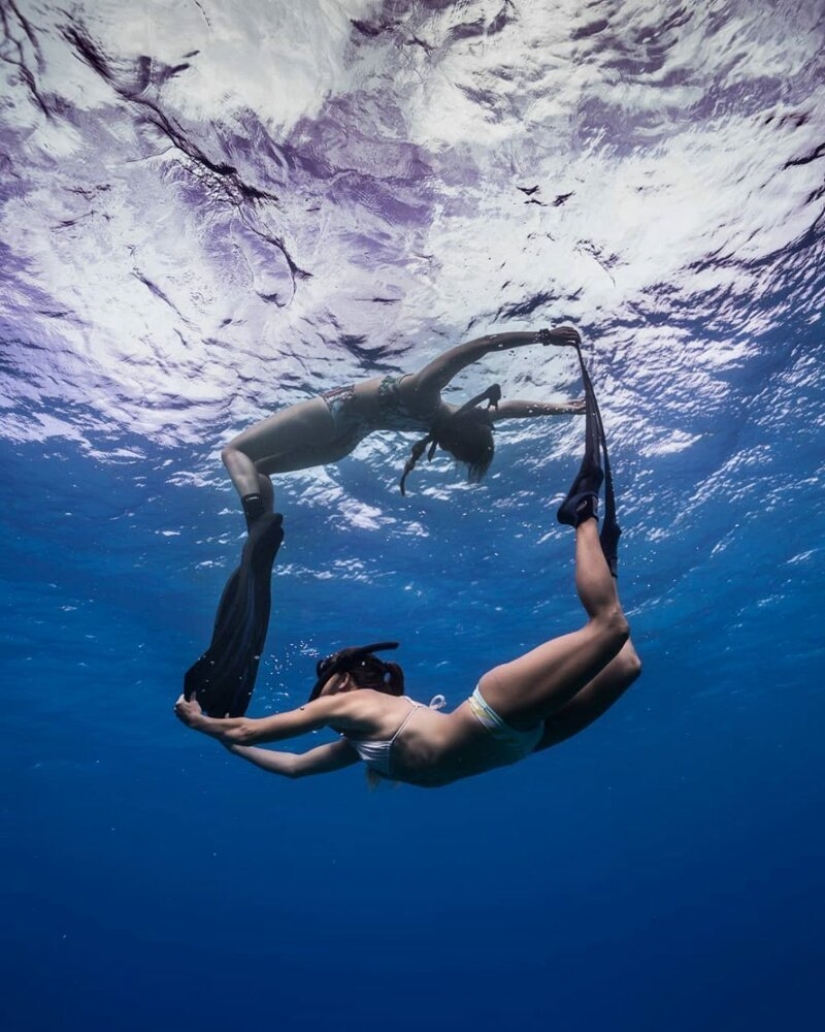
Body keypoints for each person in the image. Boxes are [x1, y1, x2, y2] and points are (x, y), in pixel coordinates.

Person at [175, 358, 642, 786]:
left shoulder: (351, 704)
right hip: (520, 742)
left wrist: (207, 724)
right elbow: (294, 766)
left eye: (320, 688)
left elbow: (253, 728)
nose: (316, 697)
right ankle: (605, 554)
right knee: (625, 663)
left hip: (497, 716)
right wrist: (228, 744)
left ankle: (581, 515)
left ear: (339, 682)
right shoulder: (359, 744)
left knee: (609, 628)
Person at [222, 325, 584, 525]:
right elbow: (509, 406)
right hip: (344, 443)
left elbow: (484, 347)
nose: (445, 449)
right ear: (455, 441)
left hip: (334, 414)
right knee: (258, 471)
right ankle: (261, 529)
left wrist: (542, 337)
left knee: (235, 452)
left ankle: (255, 511)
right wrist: (563, 408)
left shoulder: (426, 394)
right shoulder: (437, 420)